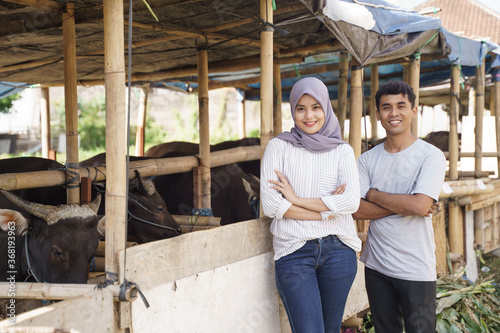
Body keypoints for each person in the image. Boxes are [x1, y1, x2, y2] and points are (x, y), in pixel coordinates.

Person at [260, 77, 361, 333]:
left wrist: (295, 200)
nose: (309, 116)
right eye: (300, 108)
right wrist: (327, 212)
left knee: (330, 329)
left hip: (339, 250)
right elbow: (271, 206)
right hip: (294, 252)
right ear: (293, 110)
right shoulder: (278, 147)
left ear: (326, 108)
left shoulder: (342, 151)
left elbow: (350, 202)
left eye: (316, 107)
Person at [353, 81, 446, 333]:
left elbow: (419, 205)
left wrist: (374, 194)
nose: (394, 113)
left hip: (416, 268)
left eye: (401, 106)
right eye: (386, 107)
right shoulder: (367, 159)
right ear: (377, 115)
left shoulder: (431, 156)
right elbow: (356, 210)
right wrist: (408, 203)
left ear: (414, 111)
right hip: (377, 267)